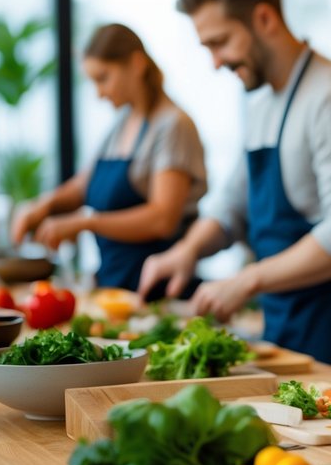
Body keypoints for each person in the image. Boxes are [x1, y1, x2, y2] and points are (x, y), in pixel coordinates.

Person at [139, 0, 331, 372]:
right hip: (282, 328)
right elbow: (233, 204)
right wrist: (187, 250)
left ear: (265, 19)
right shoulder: (262, 102)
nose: (215, 62)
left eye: (220, 43)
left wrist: (246, 279)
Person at [11, 23, 206, 300]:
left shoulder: (173, 126)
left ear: (137, 64)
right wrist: (44, 205)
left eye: (103, 78)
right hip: (115, 290)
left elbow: (162, 219)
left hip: (159, 296)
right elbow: (83, 185)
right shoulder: (121, 124)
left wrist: (86, 223)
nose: (99, 93)